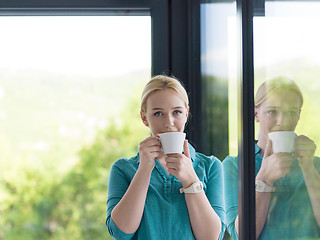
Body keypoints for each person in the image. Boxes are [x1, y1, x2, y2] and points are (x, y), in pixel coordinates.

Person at [106, 75, 226, 240]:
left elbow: (212, 237)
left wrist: (191, 180)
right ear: (144, 118)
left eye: (177, 112)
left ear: (186, 113)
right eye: (157, 114)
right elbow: (121, 232)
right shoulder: (123, 169)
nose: (169, 122)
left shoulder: (211, 166)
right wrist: (144, 169)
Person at [223, 77, 320, 240]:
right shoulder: (235, 166)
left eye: (291, 112)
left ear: (298, 115)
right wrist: (264, 179)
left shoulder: (314, 164)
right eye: (272, 111)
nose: (282, 121)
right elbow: (240, 235)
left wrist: (308, 168)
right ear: (256, 113)